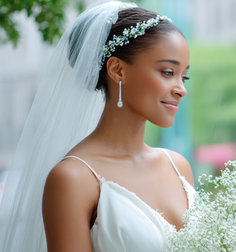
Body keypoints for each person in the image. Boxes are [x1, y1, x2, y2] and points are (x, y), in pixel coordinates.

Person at [0, 1, 195, 251]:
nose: (181, 89)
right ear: (117, 70)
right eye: (168, 72)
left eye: (184, 76)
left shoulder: (178, 167)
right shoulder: (73, 178)